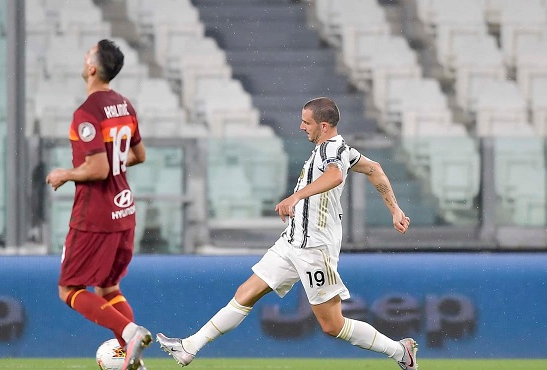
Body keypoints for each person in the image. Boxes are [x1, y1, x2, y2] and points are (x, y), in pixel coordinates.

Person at [157, 97, 418, 369]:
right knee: (245, 293)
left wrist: (295, 197)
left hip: (315, 248)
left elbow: (335, 176)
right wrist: (395, 209)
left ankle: (400, 351)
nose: (301, 127)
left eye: (307, 122)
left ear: (324, 126)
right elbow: (375, 169)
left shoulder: (332, 149)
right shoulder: (338, 150)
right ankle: (189, 347)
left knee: (332, 325)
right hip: (293, 242)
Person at [45, 39, 151, 370]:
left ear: (92, 68)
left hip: (96, 214)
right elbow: (138, 155)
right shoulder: (124, 105)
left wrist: (67, 173)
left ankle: (129, 332)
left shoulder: (87, 113)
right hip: (125, 210)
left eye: (87, 54)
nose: (84, 57)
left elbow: (99, 168)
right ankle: (132, 358)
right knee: (108, 287)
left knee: (69, 289)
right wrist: (110, 164)